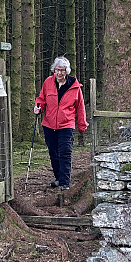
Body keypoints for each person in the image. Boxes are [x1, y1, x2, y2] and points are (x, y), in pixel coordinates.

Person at [33, 56, 88, 190]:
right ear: (54, 70)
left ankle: (65, 182)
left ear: (67, 71)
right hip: (49, 124)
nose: (59, 73)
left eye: (62, 70)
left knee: (65, 153)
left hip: (66, 125)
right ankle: (58, 178)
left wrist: (82, 124)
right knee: (53, 153)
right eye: (57, 70)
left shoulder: (74, 86)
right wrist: (38, 107)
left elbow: (80, 107)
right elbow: (41, 98)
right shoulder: (48, 82)